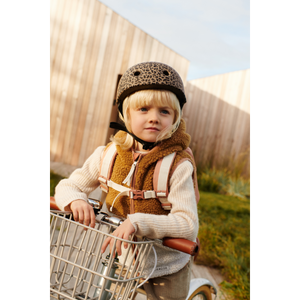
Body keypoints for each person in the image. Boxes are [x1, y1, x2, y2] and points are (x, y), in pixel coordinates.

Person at [55, 61, 199, 300]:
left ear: (175, 117)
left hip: (166, 259)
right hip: (123, 256)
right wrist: (75, 201)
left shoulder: (177, 165)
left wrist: (137, 222)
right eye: (144, 109)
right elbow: (68, 186)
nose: (154, 118)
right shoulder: (108, 154)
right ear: (126, 114)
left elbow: (188, 224)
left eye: (164, 111)